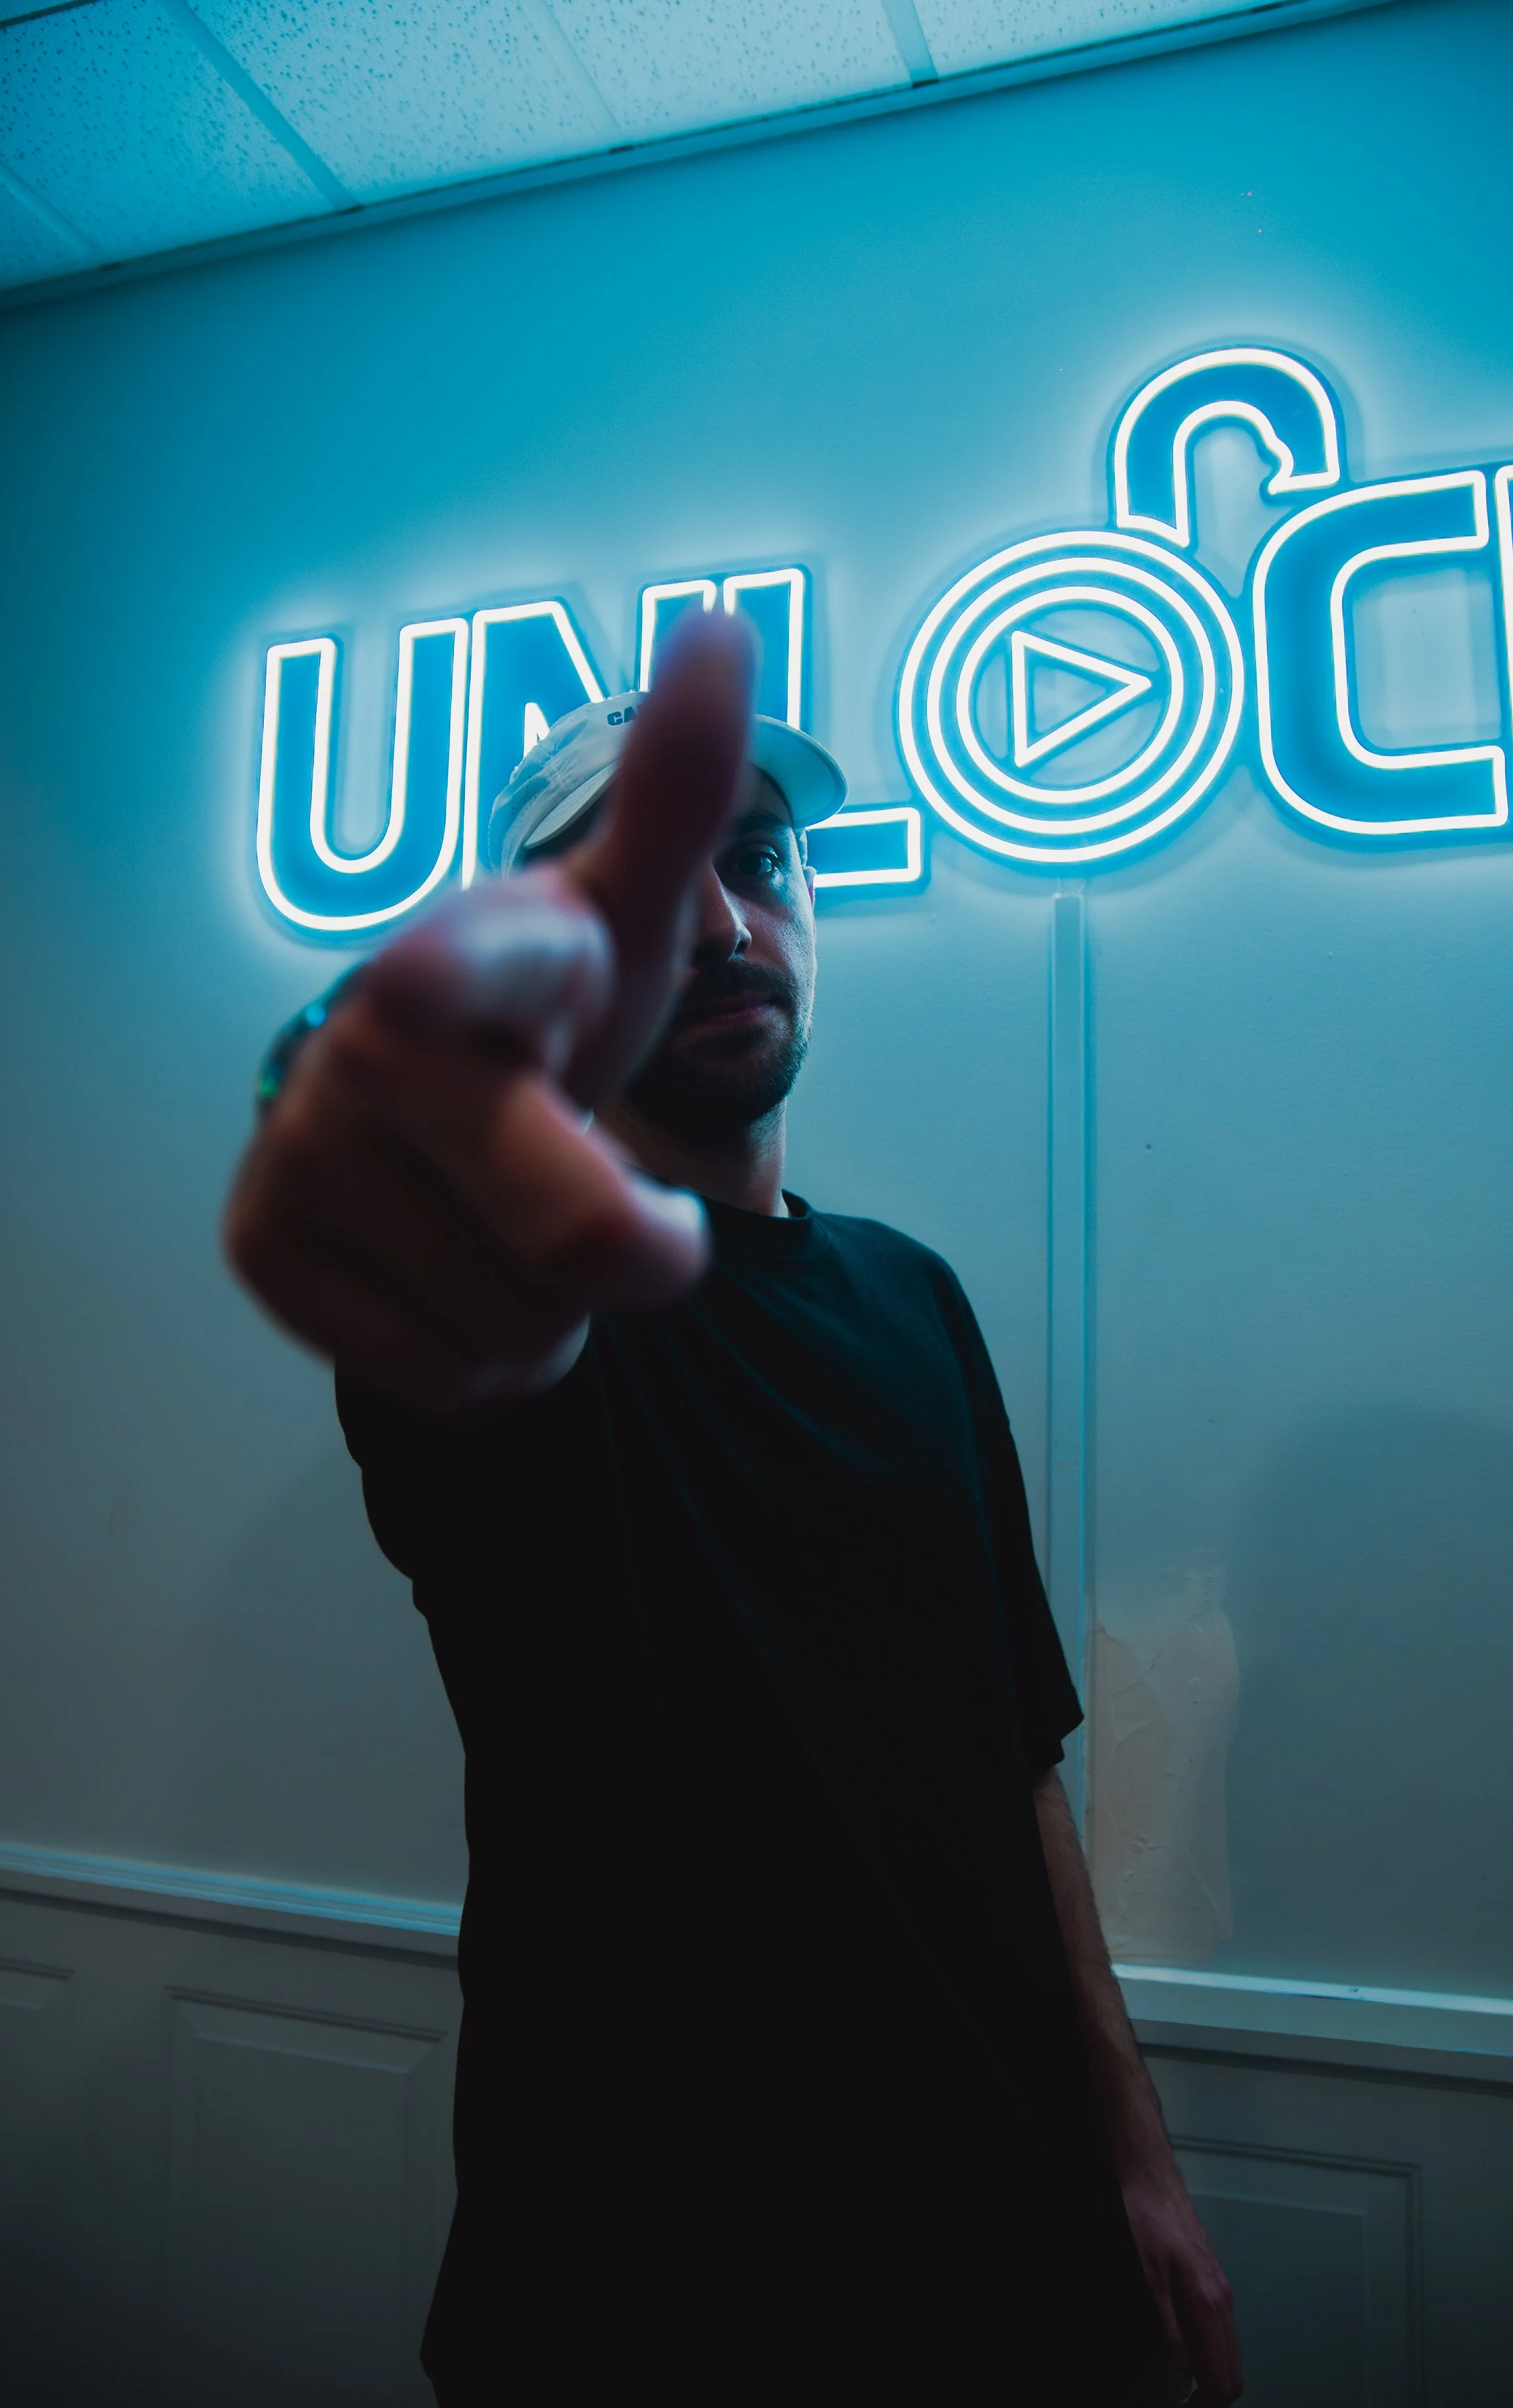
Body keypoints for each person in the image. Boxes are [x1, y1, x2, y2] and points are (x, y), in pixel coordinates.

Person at [226, 617, 1242, 2405]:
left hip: (1016, 2257)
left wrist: (1135, 2161)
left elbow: (1016, 1759)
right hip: (643, 2289)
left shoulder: (914, 1298)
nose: (718, 923)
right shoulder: (527, 1318)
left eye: (758, 865)